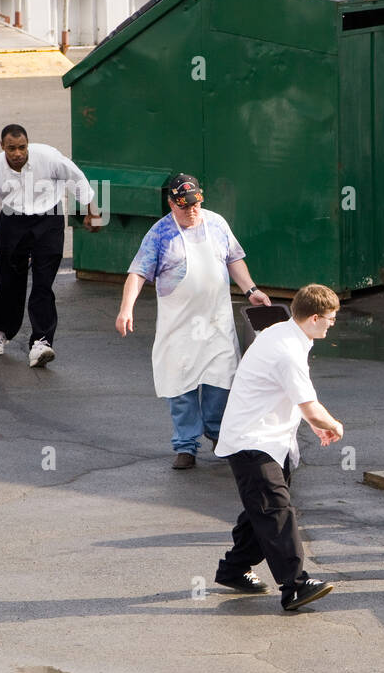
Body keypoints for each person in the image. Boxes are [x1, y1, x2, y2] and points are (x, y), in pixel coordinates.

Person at [115, 174, 271, 470]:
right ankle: (186, 446)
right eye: (184, 206)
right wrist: (126, 309)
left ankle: (216, 432)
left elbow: (233, 259)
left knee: (221, 379)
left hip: (216, 322)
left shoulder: (217, 223)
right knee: (179, 385)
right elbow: (137, 273)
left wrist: (251, 289)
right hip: (179, 327)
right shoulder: (160, 234)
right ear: (171, 203)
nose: (192, 210)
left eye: (196, 204)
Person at [212, 284, 343, 612]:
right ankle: (295, 585)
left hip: (267, 440)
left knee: (261, 509)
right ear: (314, 317)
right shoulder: (287, 349)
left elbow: (287, 393)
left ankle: (233, 568)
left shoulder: (284, 333)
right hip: (252, 442)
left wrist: (312, 424)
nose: (332, 323)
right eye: (330, 318)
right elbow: (310, 406)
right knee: (276, 511)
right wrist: (332, 424)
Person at [0, 123, 102, 367]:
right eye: (11, 148)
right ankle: (2, 330)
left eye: (22, 147)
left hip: (49, 217)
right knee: (9, 278)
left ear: (28, 144)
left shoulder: (47, 157)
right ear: (2, 146)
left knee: (43, 281)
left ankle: (42, 341)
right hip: (13, 219)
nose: (17, 153)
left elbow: (77, 179)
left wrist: (93, 212)